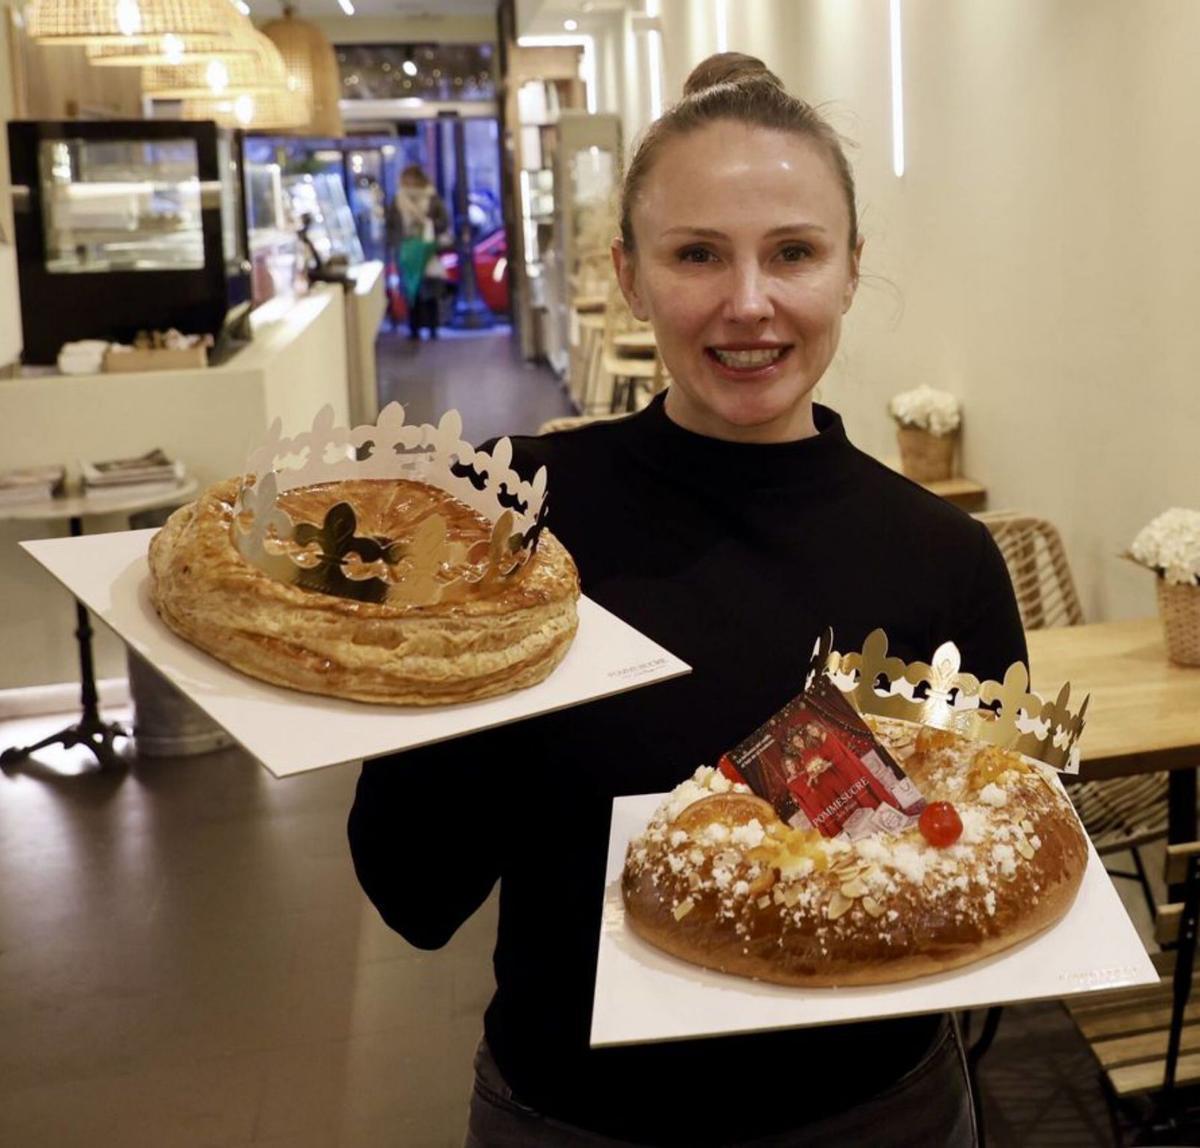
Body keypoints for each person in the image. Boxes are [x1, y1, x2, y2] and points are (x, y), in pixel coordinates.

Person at [350, 53, 1026, 1147]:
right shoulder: (508, 515)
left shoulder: (942, 560)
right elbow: (413, 891)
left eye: (793, 252)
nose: (748, 303)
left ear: (852, 268)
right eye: (697, 254)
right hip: (575, 1116)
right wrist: (449, 661)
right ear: (628, 272)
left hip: (881, 1113)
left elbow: (970, 876)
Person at [388, 164, 451, 340]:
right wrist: (396, 244)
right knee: (411, 289)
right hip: (407, 249)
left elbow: (444, 221)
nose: (409, 182)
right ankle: (414, 328)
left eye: (412, 178)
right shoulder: (398, 200)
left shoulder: (431, 198)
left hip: (428, 248)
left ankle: (432, 327)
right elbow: (391, 226)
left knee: (430, 289)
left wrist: (429, 226)